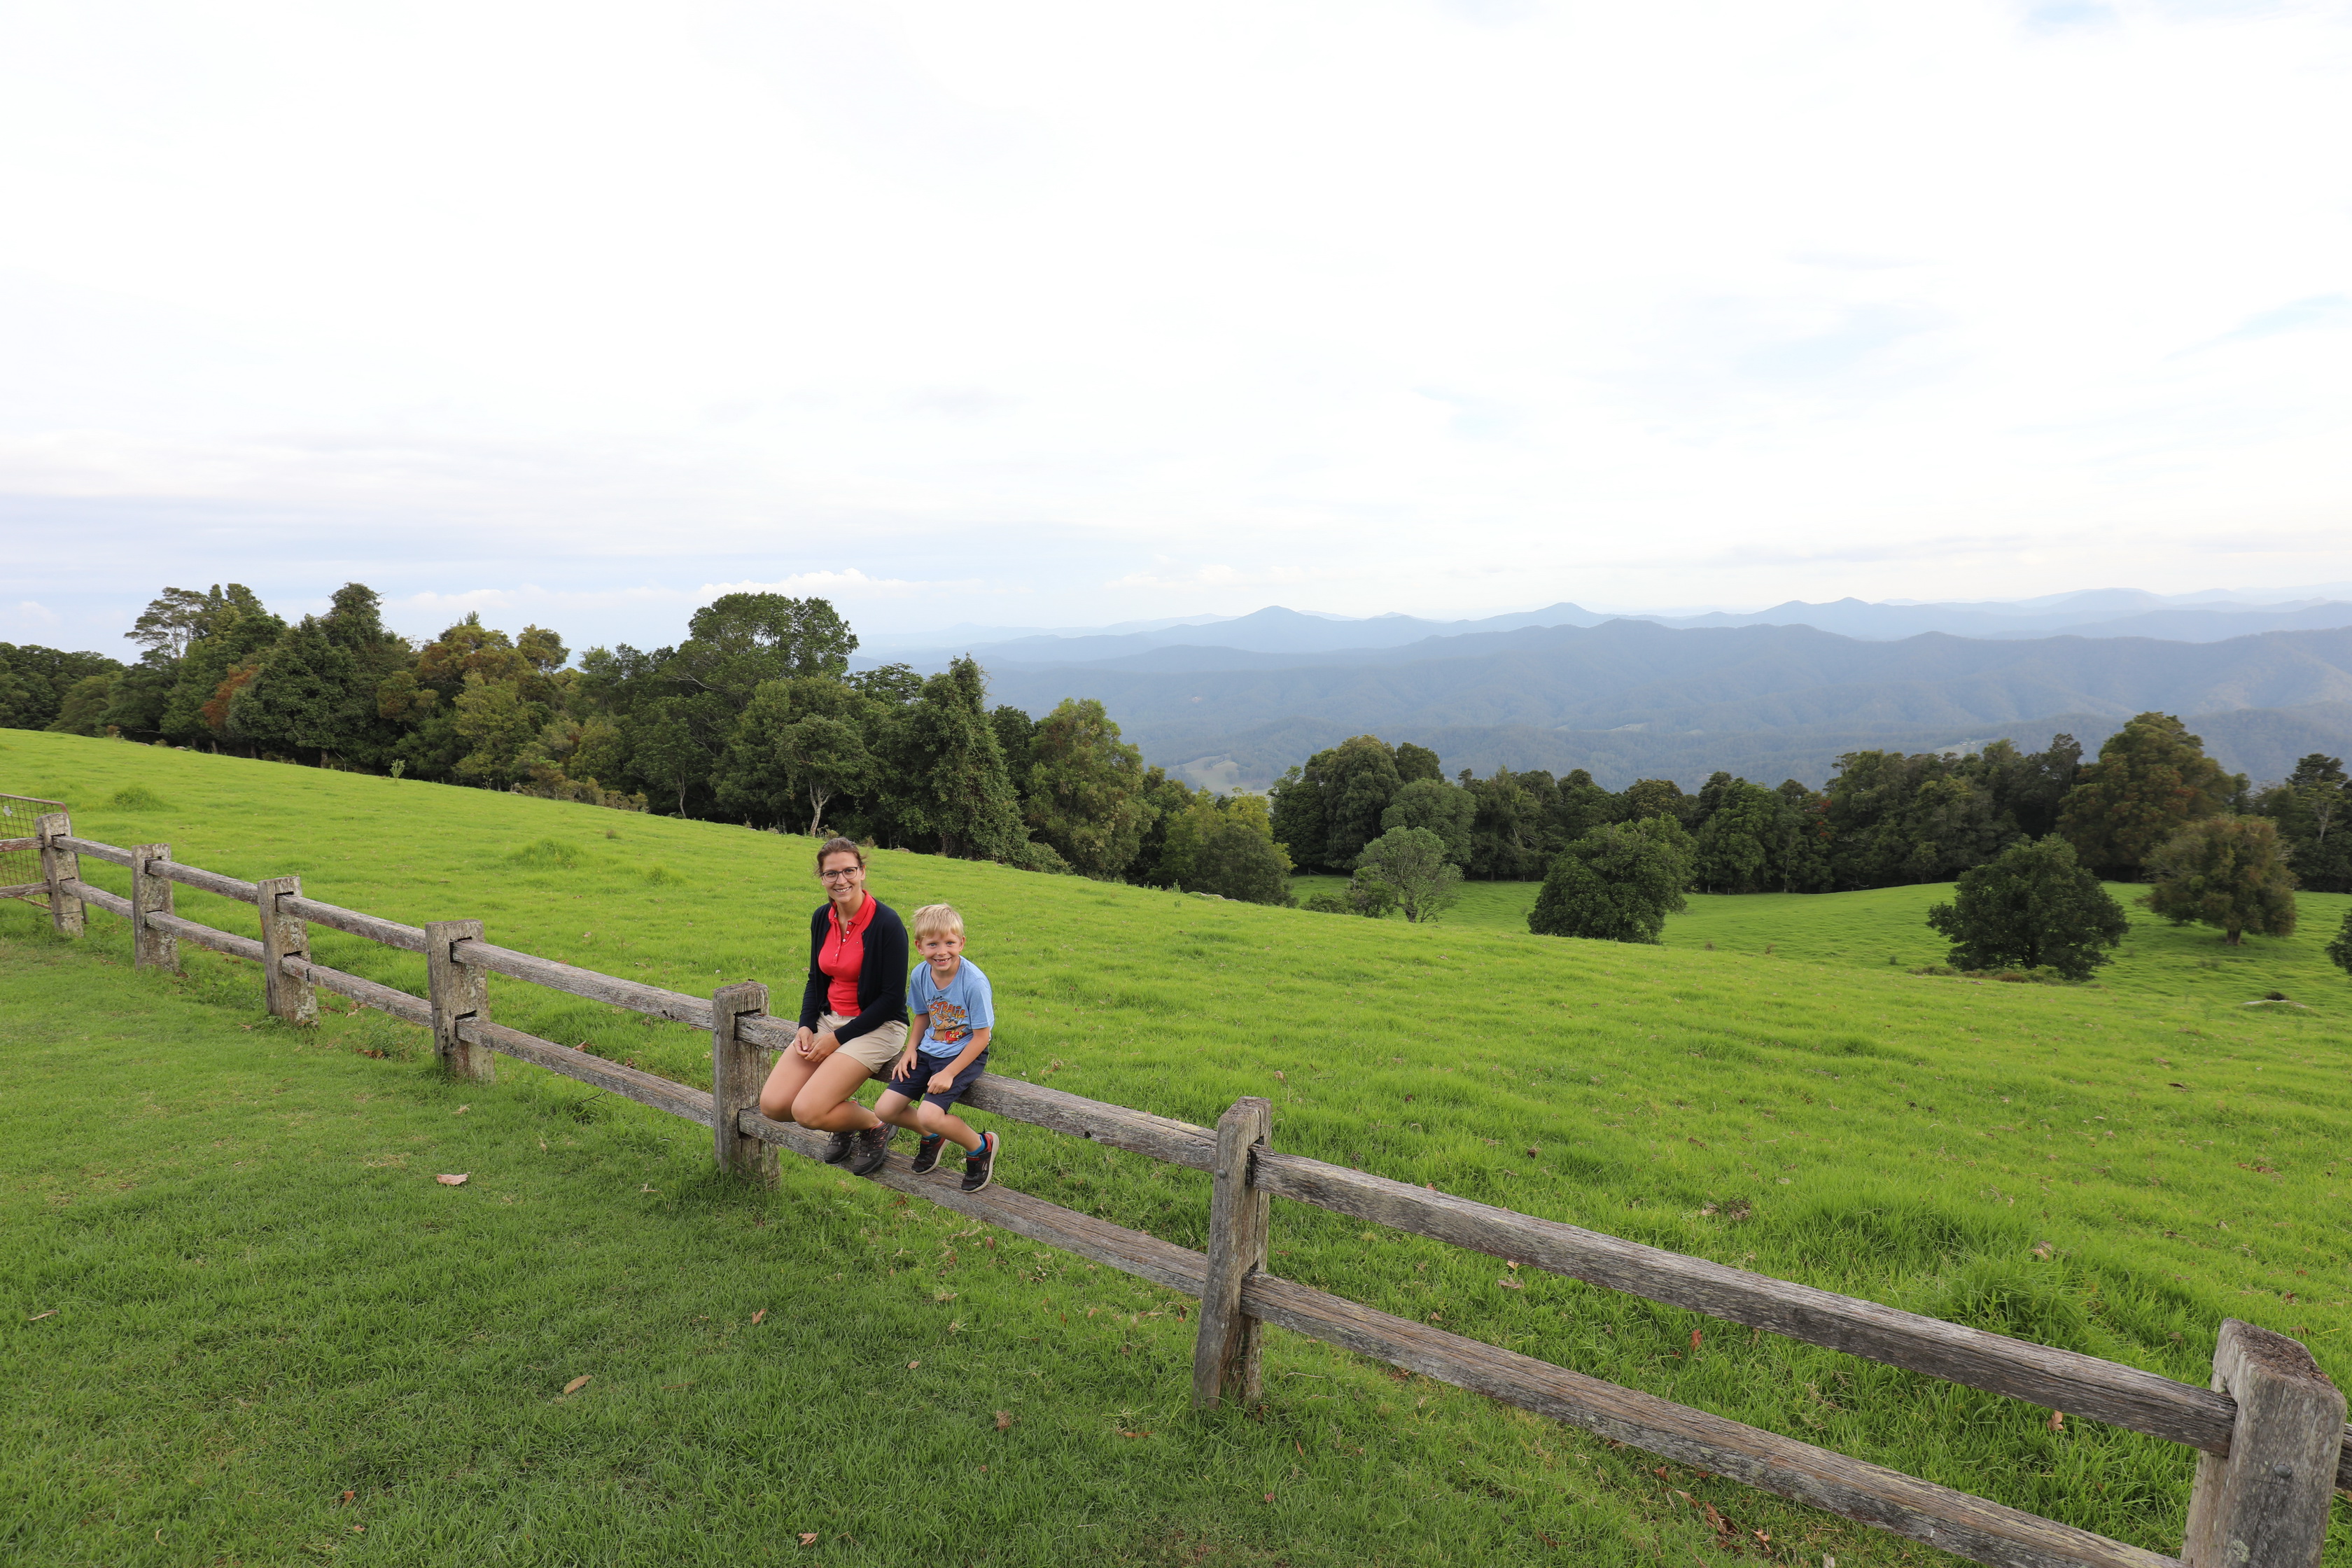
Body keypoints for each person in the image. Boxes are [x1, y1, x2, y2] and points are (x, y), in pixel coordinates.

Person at [757, 836, 909, 1177]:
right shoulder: (821, 918)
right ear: (821, 878)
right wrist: (807, 1025)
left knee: (809, 1113)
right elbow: (816, 979)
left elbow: (890, 1000)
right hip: (828, 1022)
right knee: (774, 1105)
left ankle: (874, 1125)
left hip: (878, 1027)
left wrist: (837, 1041)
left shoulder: (886, 924)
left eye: (849, 871)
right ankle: (845, 1116)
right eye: (831, 874)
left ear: (863, 872)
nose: (841, 880)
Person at [873, 903, 1000, 1193]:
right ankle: (933, 1137)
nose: (942, 951)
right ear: (919, 946)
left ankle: (980, 1146)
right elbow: (922, 1015)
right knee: (885, 1109)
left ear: (962, 943)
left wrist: (950, 1074)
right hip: (929, 1049)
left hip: (964, 1054)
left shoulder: (974, 982)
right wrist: (910, 1050)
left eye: (950, 943)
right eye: (933, 944)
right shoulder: (920, 974)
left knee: (929, 1114)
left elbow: (982, 1037)